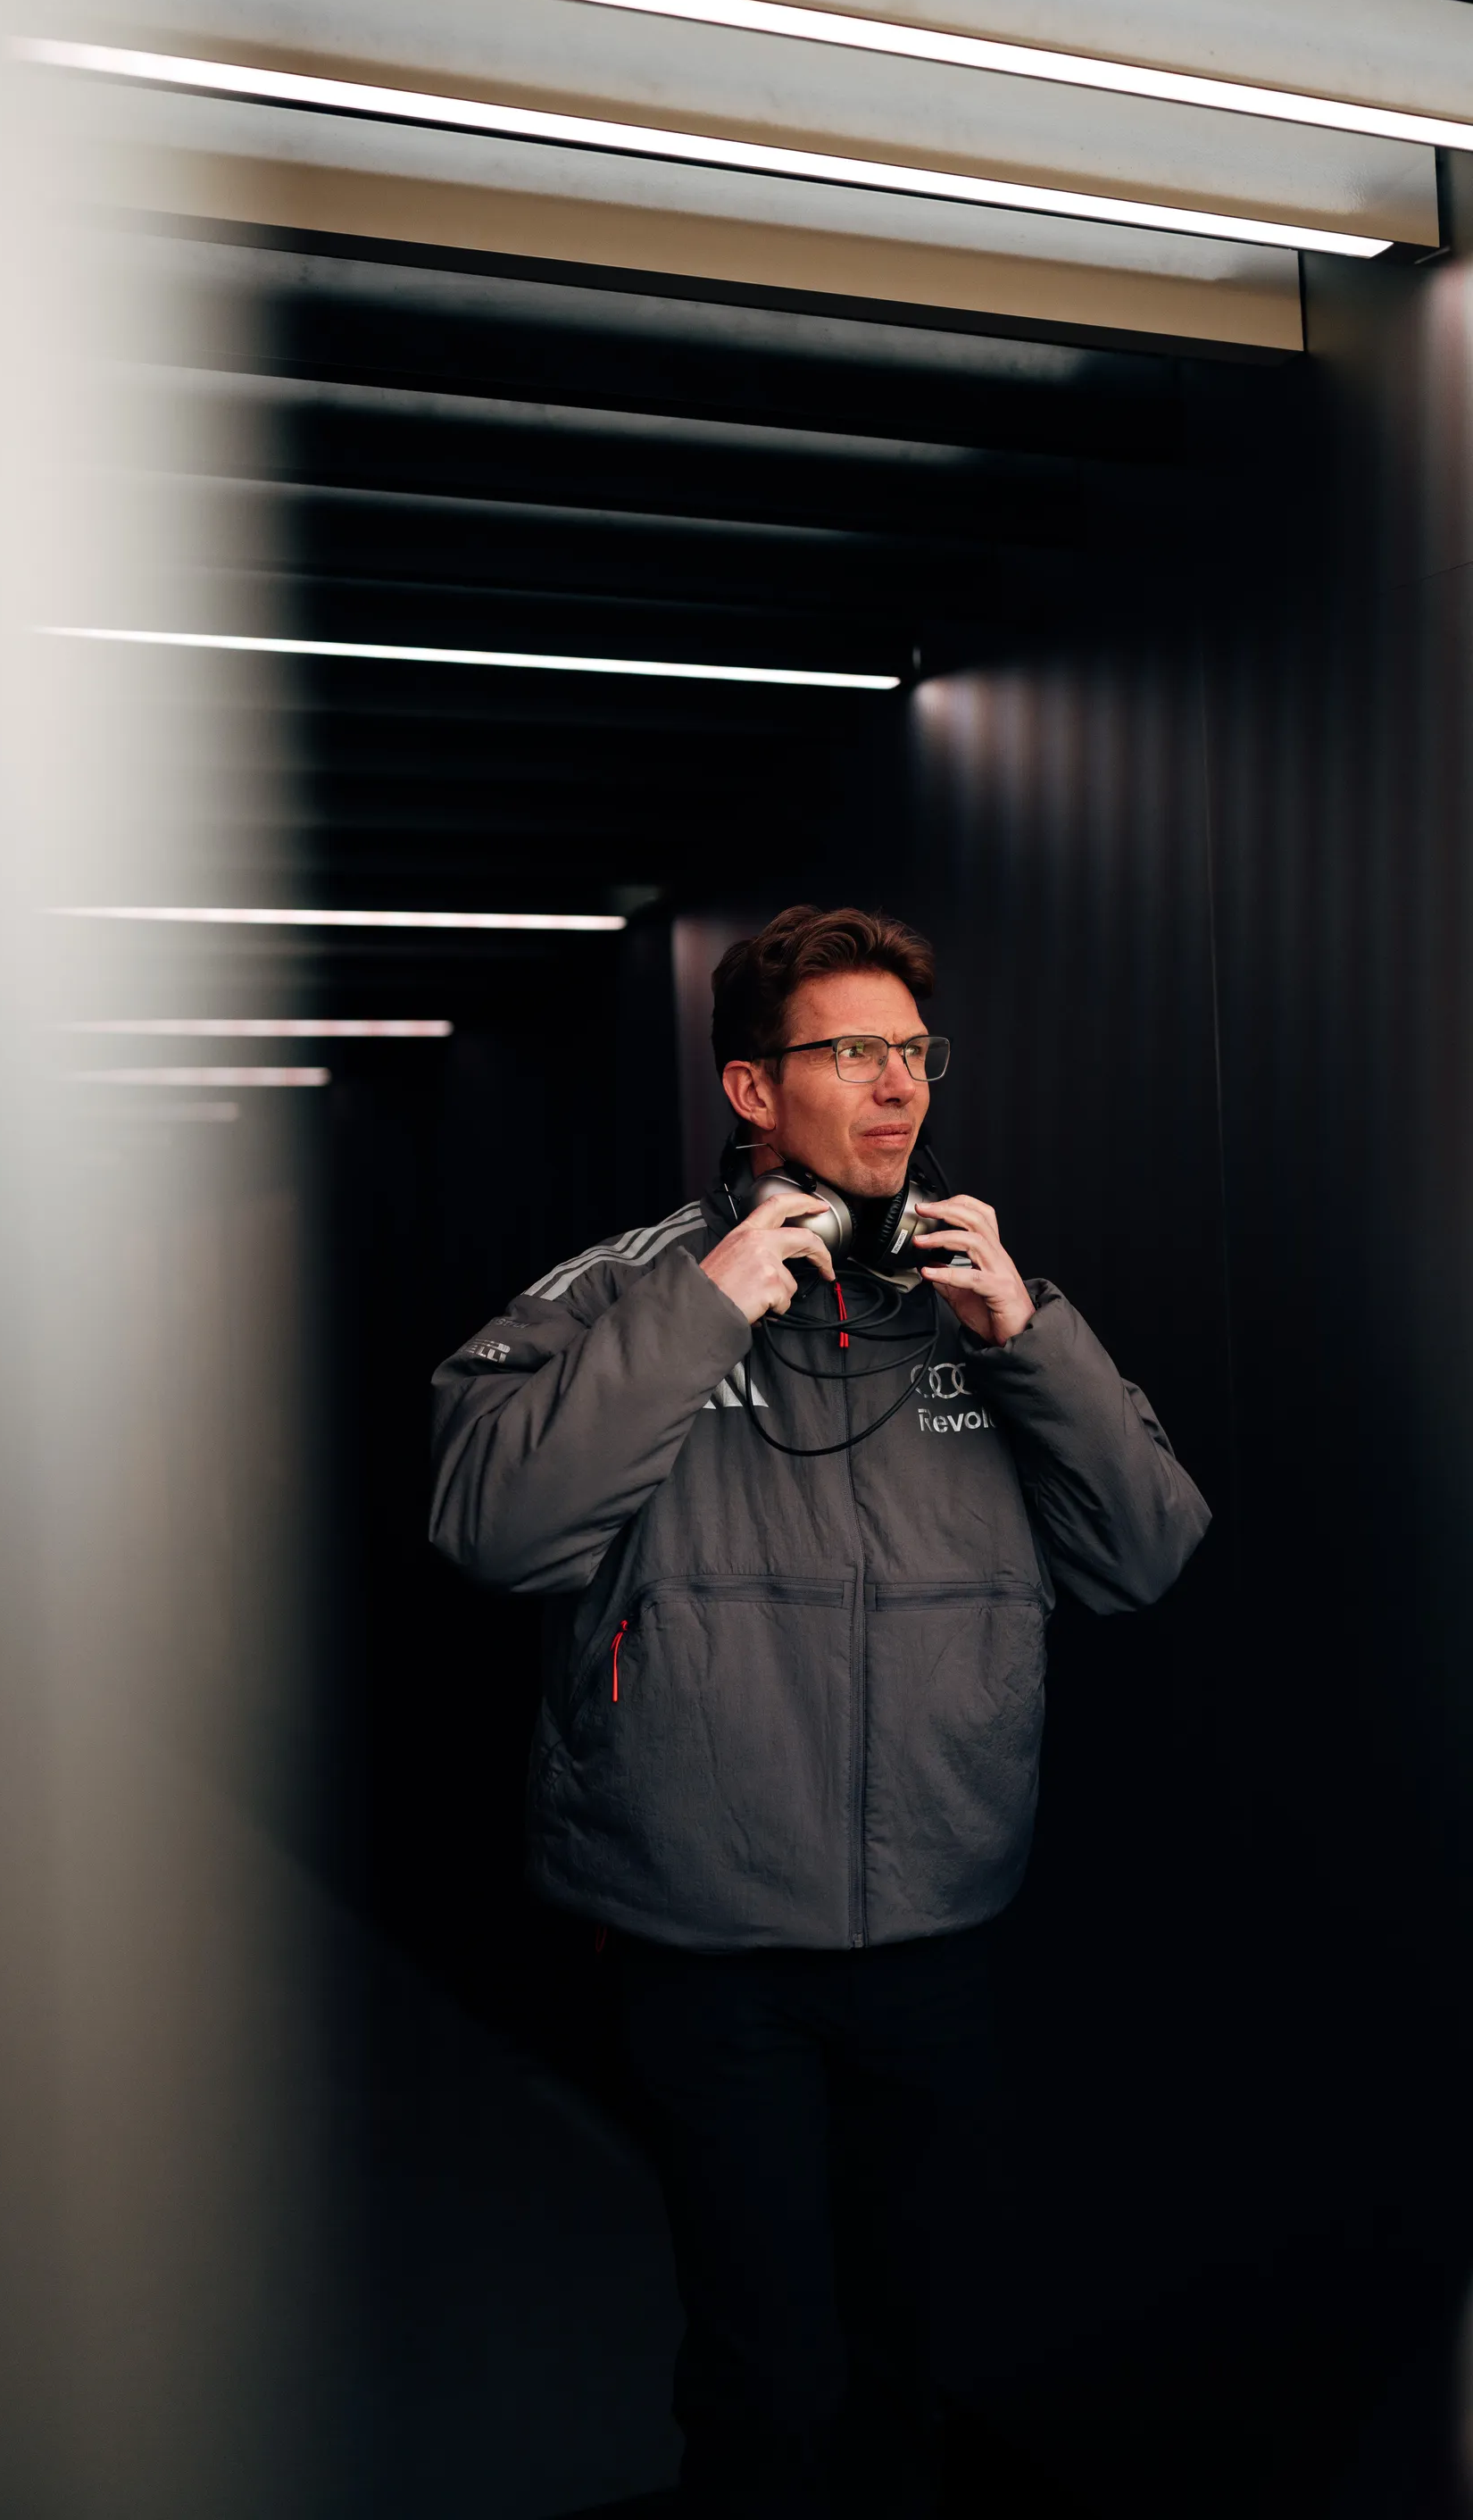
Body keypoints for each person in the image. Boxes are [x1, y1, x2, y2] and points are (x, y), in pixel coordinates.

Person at [429, 904, 1210, 2516]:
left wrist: (1030, 1341)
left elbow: (1146, 1556)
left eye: (912, 1051)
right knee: (770, 2374)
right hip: (706, 1943)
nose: (896, 1085)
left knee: (908, 2356)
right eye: (848, 1052)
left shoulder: (990, 1303)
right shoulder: (622, 1292)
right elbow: (495, 1534)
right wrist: (706, 1308)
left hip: (937, 1920)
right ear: (750, 1088)